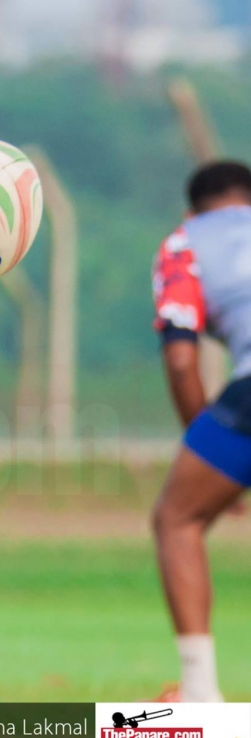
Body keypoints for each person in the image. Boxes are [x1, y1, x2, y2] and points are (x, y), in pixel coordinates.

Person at [151, 160, 251, 703]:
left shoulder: (184, 243)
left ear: (192, 211)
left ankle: (199, 690)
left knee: (177, 519)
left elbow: (182, 360)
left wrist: (207, 446)